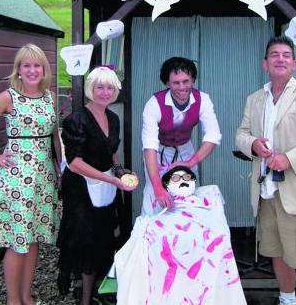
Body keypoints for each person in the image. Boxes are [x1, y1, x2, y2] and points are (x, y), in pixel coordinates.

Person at [235, 36, 296, 305]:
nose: (280, 58)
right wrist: (253, 144)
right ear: (264, 64)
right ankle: (287, 298)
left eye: (286, 55)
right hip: (266, 193)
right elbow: (241, 134)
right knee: (276, 252)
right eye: (274, 55)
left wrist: (289, 159)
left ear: (294, 63)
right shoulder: (255, 98)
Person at [0, 44, 61, 305]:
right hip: (17, 179)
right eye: (27, 65)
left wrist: (60, 167)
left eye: (37, 65)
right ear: (18, 70)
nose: (32, 70)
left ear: (44, 69)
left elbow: (54, 137)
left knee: (32, 241)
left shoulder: (50, 98)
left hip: (43, 178)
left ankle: (26, 297)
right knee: (17, 240)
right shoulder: (8, 97)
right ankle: (13, 301)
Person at [57, 66, 138, 305]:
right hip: (81, 189)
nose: (104, 92)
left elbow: (110, 154)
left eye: (109, 87)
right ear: (91, 88)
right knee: (86, 240)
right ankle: (84, 298)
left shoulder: (113, 118)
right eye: (99, 87)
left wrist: (120, 171)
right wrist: (112, 179)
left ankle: (100, 290)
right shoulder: (76, 119)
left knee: (105, 236)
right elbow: (75, 162)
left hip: (106, 187)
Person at [115, 165, 247, 305]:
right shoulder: (153, 223)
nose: (183, 180)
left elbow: (221, 236)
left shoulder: (210, 209)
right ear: (167, 186)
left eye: (187, 177)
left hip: (204, 282)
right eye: (176, 178)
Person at [141, 56, 221, 215]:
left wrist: (190, 162)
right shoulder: (154, 103)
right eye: (176, 83)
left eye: (186, 81)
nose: (182, 87)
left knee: (188, 195)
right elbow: (149, 146)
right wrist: (157, 187)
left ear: (193, 80)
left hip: (185, 149)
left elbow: (213, 135)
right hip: (158, 152)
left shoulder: (203, 99)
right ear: (167, 83)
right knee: (154, 196)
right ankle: (151, 234)